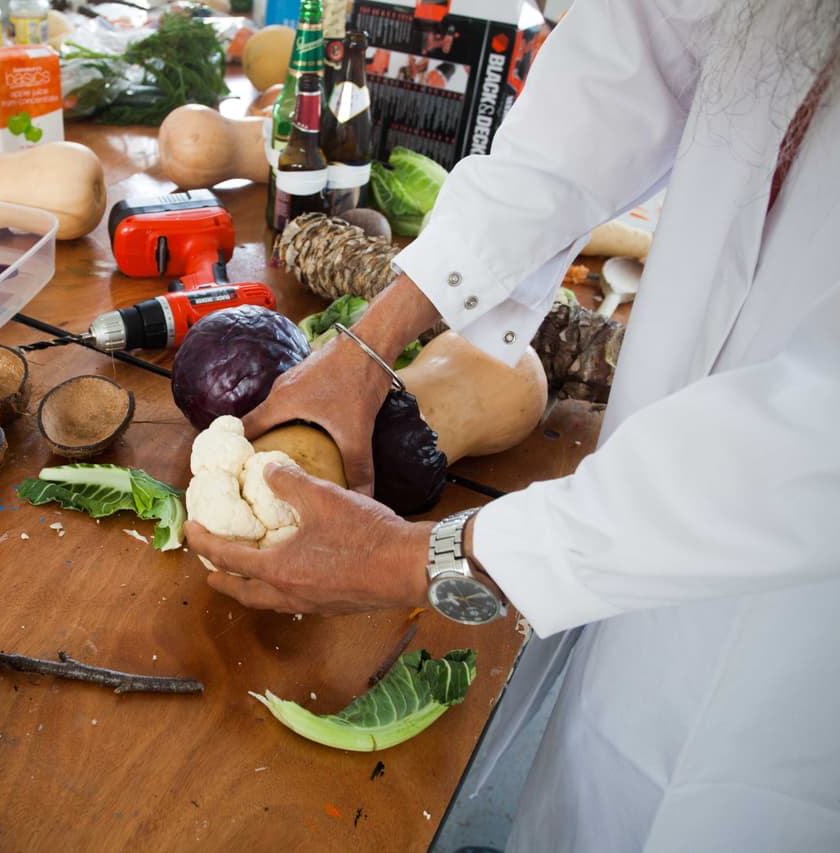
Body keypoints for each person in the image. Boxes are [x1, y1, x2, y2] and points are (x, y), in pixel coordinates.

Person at [184, 0, 840, 849]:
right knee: (591, 784)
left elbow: (809, 450)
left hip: (803, 638)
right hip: (635, 519)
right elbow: (618, 75)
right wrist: (365, 347)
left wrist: (411, 558)